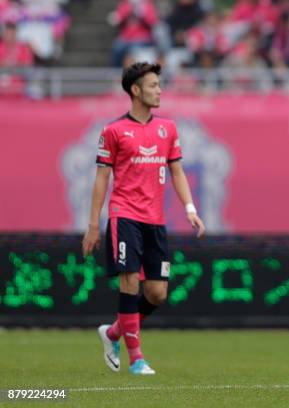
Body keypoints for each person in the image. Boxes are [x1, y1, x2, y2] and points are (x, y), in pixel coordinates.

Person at [82, 62, 205, 375]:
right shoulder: (113, 131)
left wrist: (190, 209)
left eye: (159, 85)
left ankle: (112, 334)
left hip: (155, 219)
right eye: (153, 85)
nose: (159, 90)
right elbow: (101, 179)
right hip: (124, 215)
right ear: (135, 90)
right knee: (130, 283)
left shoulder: (168, 128)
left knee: (157, 293)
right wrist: (94, 225)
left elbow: (176, 170)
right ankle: (137, 358)